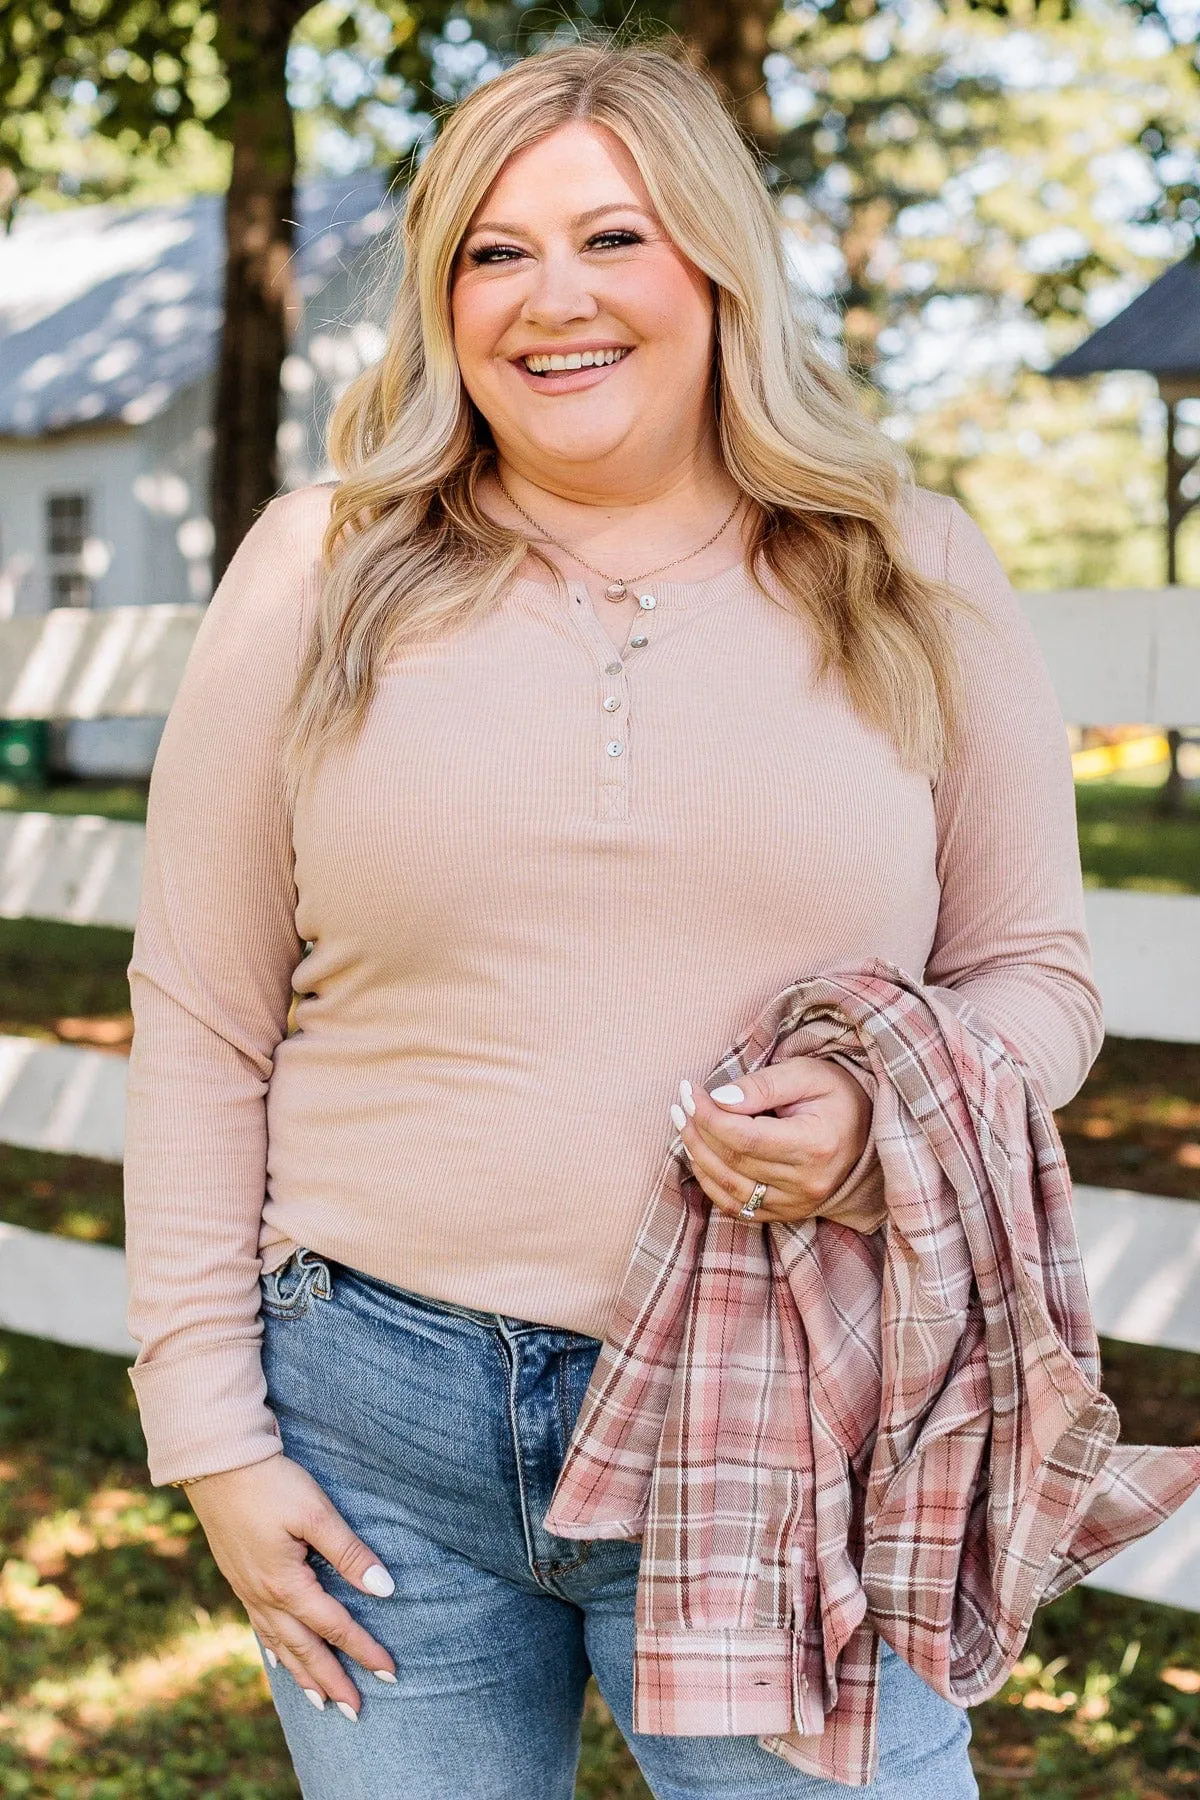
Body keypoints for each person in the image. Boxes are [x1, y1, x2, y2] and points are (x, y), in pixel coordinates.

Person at [123, 37, 1103, 1800]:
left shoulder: (911, 569)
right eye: (493, 252)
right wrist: (210, 1435)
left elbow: (1036, 977)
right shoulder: (319, 567)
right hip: (376, 1426)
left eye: (613, 240)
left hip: (783, 1407)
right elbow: (202, 1021)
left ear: (717, 267)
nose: (549, 300)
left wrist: (886, 1123)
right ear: (443, 299)